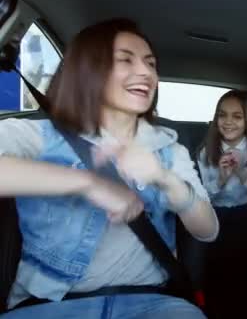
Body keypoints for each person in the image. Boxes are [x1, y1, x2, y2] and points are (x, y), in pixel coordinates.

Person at [0, 18, 218, 319]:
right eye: (125, 60)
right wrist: (86, 182)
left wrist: (166, 179)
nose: (145, 72)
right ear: (89, 70)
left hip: (152, 303)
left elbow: (208, 231)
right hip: (50, 306)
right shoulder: (41, 136)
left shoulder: (170, 150)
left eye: (151, 63)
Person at [197, 90, 247, 318]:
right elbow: (203, 198)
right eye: (223, 115)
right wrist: (221, 179)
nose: (229, 122)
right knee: (218, 270)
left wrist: (243, 171)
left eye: (237, 116)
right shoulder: (207, 151)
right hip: (217, 216)